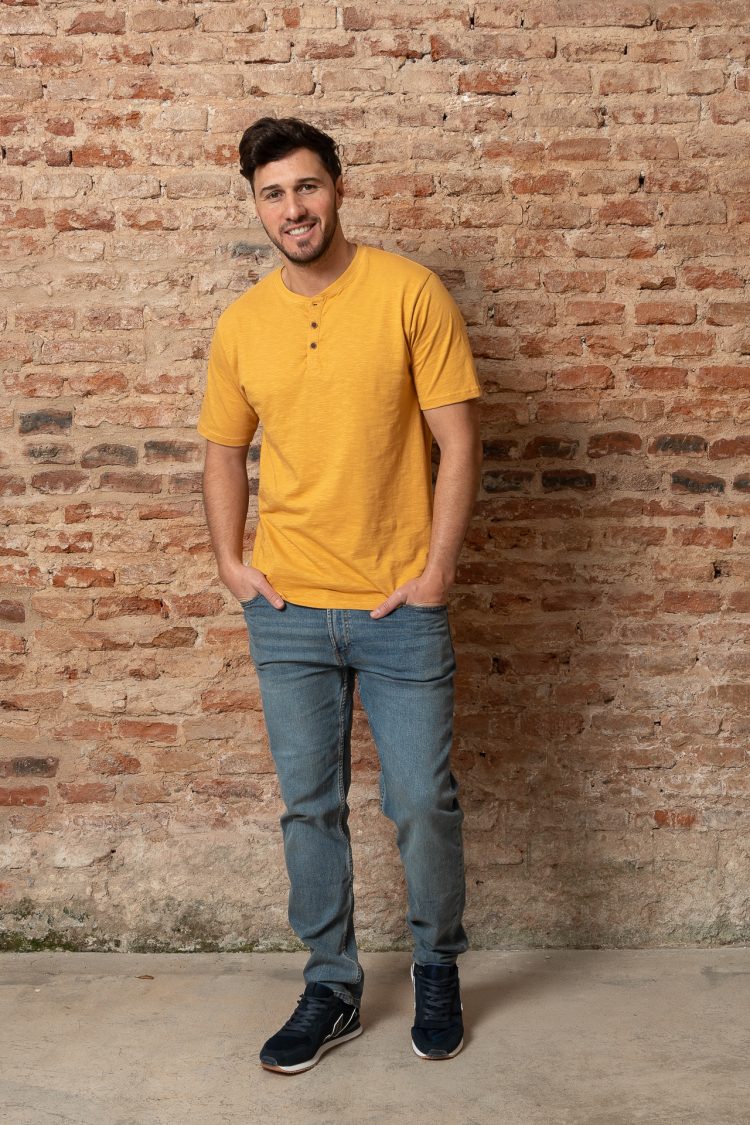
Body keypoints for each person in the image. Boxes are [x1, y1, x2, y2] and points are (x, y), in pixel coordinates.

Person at [196, 117, 482, 1074]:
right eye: (273, 193)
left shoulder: (409, 293)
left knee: (421, 800)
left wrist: (437, 572)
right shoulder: (243, 323)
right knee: (309, 807)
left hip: (399, 606)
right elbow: (221, 451)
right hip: (287, 610)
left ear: (339, 188)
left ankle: (437, 965)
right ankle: (332, 984)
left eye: (307, 186)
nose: (294, 208)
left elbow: (458, 442)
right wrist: (232, 562)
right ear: (255, 205)